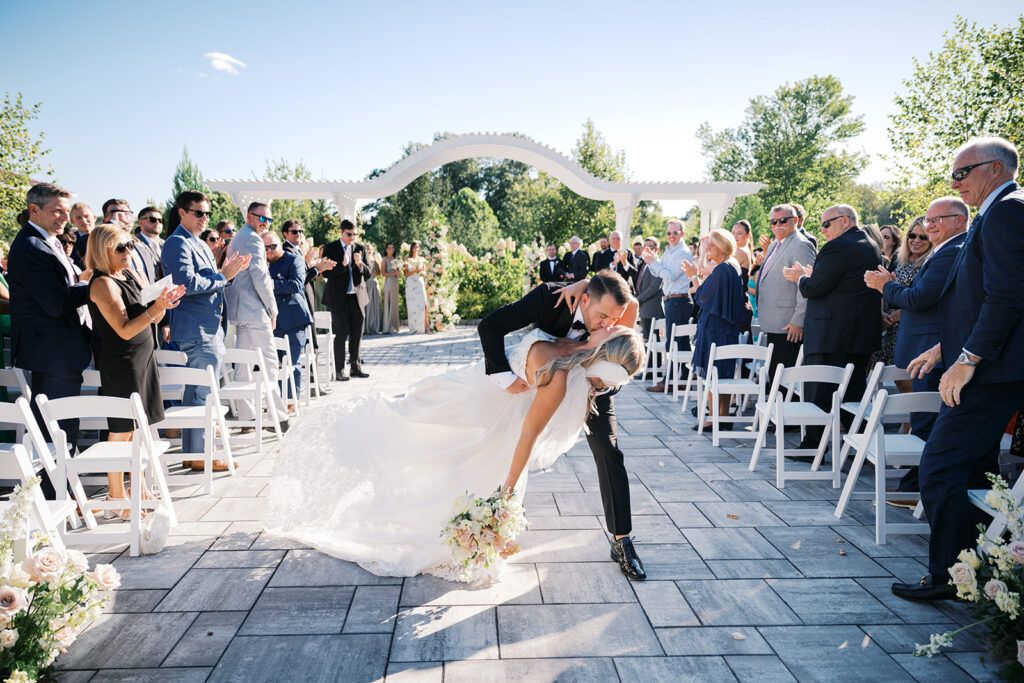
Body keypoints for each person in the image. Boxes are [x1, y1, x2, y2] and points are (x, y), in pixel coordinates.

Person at [264, 314, 643, 580]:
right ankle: (360, 452)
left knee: (460, 463)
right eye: (605, 384)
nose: (605, 391)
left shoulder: (579, 351)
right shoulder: (562, 376)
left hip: (496, 407)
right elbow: (528, 435)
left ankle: (442, 507)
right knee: (423, 437)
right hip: (485, 405)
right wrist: (506, 497)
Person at [892, 137, 1024, 601]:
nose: (954, 182)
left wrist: (966, 362)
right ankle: (982, 571)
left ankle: (951, 576)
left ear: (993, 169)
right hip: (986, 364)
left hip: (992, 372)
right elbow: (979, 301)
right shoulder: (999, 212)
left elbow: (1008, 298)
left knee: (939, 464)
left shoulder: (1008, 209)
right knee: (976, 469)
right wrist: (946, 348)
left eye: (961, 173)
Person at [479, 271, 647, 580]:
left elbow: (623, 344)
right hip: (550, 367)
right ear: (584, 300)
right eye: (602, 316)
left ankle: (622, 540)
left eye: (615, 319)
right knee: (495, 432)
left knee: (609, 452)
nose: (610, 325)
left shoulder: (620, 310)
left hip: (594, 381)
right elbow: (491, 325)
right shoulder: (551, 299)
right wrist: (502, 376)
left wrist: (606, 383)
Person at [87, 224, 184, 517]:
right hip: (122, 361)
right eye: (121, 248)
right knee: (121, 429)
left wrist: (163, 303)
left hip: (144, 356)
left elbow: (147, 311)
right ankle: (117, 496)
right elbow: (125, 329)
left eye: (130, 245)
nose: (129, 251)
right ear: (104, 251)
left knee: (140, 428)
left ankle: (138, 488)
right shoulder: (102, 283)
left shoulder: (126, 273)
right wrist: (157, 308)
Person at [162, 190, 251, 471]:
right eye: (198, 213)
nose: (204, 218)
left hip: (209, 326)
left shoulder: (197, 242)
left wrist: (225, 275)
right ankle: (201, 457)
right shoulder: (177, 243)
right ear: (182, 213)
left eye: (207, 214)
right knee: (203, 393)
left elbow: (211, 280)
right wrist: (224, 276)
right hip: (197, 330)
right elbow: (185, 282)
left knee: (198, 392)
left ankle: (194, 454)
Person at [8, 183, 92, 478]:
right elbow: (56, 303)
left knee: (62, 428)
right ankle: (55, 497)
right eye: (57, 211)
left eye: (67, 211)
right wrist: (96, 285)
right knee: (56, 431)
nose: (64, 218)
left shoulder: (47, 241)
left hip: (60, 351)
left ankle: (62, 494)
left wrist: (81, 281)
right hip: (52, 353)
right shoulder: (32, 246)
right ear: (34, 210)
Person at [783, 204, 882, 449]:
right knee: (853, 393)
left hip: (831, 335)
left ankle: (814, 446)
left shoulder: (837, 247)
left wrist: (802, 278)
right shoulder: (870, 246)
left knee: (820, 390)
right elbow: (842, 283)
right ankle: (857, 447)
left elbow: (815, 288)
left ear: (845, 221)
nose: (823, 230)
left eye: (827, 224)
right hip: (859, 335)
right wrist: (813, 274)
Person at [225, 202, 289, 425]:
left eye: (269, 219)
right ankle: (277, 416)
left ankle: (247, 416)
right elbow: (260, 277)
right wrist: (273, 309)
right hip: (254, 310)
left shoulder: (238, 237)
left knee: (243, 365)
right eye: (262, 218)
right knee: (270, 362)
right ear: (249, 216)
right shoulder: (251, 239)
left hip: (240, 310)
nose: (266, 223)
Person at [683, 230, 747, 428]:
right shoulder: (732, 265)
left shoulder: (722, 269)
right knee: (724, 373)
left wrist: (694, 277)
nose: (708, 249)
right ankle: (723, 417)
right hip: (726, 327)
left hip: (715, 328)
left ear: (722, 246)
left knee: (713, 373)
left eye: (711, 245)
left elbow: (702, 296)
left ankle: (713, 419)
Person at [756, 204, 817, 388]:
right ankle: (775, 412)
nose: (778, 225)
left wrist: (798, 319)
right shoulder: (775, 244)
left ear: (795, 221)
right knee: (775, 375)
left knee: (784, 380)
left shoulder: (801, 244)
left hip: (789, 325)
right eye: (774, 222)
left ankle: (781, 414)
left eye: (783, 220)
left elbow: (806, 285)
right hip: (774, 323)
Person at [870, 218, 931, 368]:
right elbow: (884, 286)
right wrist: (882, 313)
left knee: (903, 380)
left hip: (906, 328)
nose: (916, 240)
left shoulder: (930, 262)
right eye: (912, 235)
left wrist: (894, 317)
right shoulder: (898, 258)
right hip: (885, 327)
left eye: (923, 237)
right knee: (878, 374)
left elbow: (922, 298)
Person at [641, 219, 694, 393]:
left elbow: (670, 276)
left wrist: (653, 262)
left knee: (674, 342)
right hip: (671, 300)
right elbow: (659, 273)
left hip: (679, 300)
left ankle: (669, 380)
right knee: (679, 342)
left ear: (682, 234)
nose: (671, 236)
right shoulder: (669, 251)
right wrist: (652, 262)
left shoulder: (683, 252)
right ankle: (684, 378)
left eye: (675, 233)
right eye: (668, 233)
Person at [265, 231, 312, 413]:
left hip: (293, 319)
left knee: (291, 362)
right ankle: (279, 401)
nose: (269, 250)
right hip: (271, 321)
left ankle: (293, 400)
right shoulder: (261, 263)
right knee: (276, 364)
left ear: (280, 244)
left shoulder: (294, 260)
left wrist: (271, 284)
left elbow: (296, 284)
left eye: (273, 246)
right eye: (266, 247)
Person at [322, 219, 372, 378]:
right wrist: (342, 265)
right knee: (340, 334)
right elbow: (326, 273)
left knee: (357, 333)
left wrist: (359, 265)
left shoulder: (360, 248)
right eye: (349, 234)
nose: (352, 238)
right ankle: (339, 370)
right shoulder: (330, 248)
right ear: (341, 232)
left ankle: (355, 367)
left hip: (357, 298)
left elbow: (369, 273)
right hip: (339, 299)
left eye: (355, 234)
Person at [635, 237, 664, 344]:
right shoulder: (644, 264)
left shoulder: (658, 264)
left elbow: (654, 288)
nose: (646, 249)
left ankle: (655, 362)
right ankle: (651, 361)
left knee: (653, 343)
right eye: (645, 247)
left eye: (650, 247)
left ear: (657, 249)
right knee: (647, 343)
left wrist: (637, 299)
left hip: (652, 309)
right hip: (644, 309)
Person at [730, 221, 755, 333]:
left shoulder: (740, 252)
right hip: (737, 305)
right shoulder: (739, 252)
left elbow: (714, 268)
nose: (735, 236)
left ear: (748, 236)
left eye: (739, 233)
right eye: (733, 233)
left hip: (737, 308)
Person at [403, 241, 429, 335]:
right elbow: (405, 273)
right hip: (410, 283)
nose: (416, 249)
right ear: (412, 249)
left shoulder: (422, 259)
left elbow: (424, 273)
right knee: (412, 306)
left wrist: (420, 271)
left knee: (423, 304)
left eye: (418, 247)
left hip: (419, 282)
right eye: (415, 247)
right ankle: (414, 327)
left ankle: (423, 327)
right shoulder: (407, 259)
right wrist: (415, 270)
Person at [379, 242, 401, 334]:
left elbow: (398, 274)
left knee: (394, 303)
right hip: (388, 282)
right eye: (389, 248)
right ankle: (387, 327)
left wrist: (398, 273)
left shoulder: (396, 260)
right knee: (388, 303)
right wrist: (394, 273)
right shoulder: (384, 260)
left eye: (392, 248)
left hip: (395, 283)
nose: (391, 249)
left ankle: (394, 326)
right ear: (386, 249)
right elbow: (383, 274)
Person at [362, 243, 382, 336]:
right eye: (366, 248)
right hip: (365, 284)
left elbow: (379, 273)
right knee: (365, 305)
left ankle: (374, 326)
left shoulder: (375, 261)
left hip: (373, 284)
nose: (368, 250)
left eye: (369, 248)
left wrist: (371, 274)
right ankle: (365, 327)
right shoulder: (362, 261)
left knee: (374, 305)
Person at [69, 201, 96, 269]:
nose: (84, 220)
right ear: (72, 221)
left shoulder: (105, 237)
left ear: (94, 218)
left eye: (86, 216)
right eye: (79, 218)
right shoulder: (68, 241)